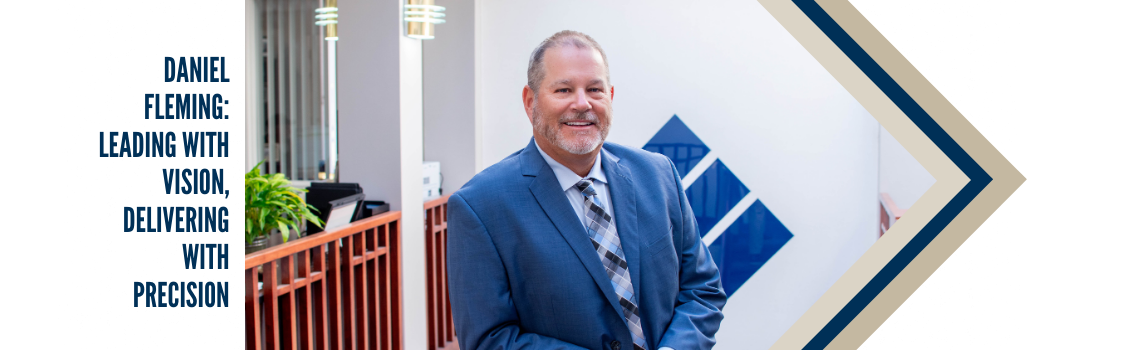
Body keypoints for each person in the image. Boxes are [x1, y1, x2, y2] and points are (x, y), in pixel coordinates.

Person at [447, 30, 726, 350]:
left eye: (594, 89)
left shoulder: (658, 174)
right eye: (564, 89)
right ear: (530, 101)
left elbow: (702, 289)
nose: (582, 104)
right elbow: (490, 339)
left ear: (610, 96)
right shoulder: (480, 206)